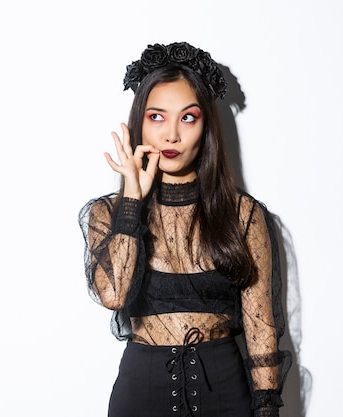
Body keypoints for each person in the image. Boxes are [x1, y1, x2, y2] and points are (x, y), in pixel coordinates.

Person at [78, 41, 291, 417]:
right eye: (157, 117)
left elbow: (261, 329)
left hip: (226, 394)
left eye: (187, 117)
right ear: (139, 121)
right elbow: (112, 294)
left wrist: (267, 408)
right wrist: (132, 200)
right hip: (140, 394)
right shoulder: (108, 213)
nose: (171, 135)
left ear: (206, 124)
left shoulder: (244, 215)